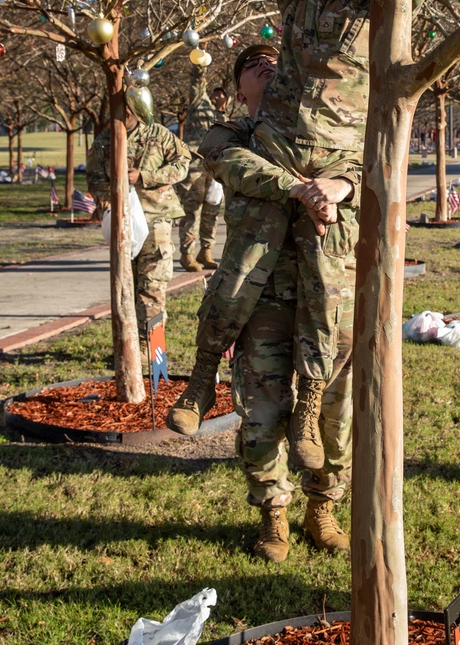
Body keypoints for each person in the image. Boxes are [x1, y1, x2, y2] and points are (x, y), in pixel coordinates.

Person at [168, 0, 452, 472]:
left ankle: (308, 412)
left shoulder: (387, 8)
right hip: (277, 153)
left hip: (338, 168)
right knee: (237, 273)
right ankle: (202, 378)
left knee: (327, 297)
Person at [176, 45, 354, 559]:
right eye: (253, 66)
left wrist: (339, 183)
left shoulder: (332, 130)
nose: (267, 65)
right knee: (260, 414)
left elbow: (362, 172)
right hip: (257, 296)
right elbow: (231, 165)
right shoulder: (233, 134)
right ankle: (272, 514)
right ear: (238, 93)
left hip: (330, 294)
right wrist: (303, 189)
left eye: (277, 61)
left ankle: (323, 505)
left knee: (334, 415)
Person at [86, 106, 191, 339]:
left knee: (152, 286)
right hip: (123, 221)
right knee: (127, 287)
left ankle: (151, 348)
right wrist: (112, 199)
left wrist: (145, 176)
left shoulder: (159, 134)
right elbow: (94, 178)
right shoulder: (105, 141)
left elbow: (182, 163)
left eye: (129, 106)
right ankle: (130, 345)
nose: (124, 110)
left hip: (156, 218)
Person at [175, 73, 230, 272]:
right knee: (192, 212)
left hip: (214, 172)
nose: (216, 97)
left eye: (221, 94)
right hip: (196, 170)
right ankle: (186, 253)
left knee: (212, 213)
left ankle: (206, 250)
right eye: (213, 94)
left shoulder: (224, 119)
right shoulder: (201, 106)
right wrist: (200, 63)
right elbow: (197, 82)